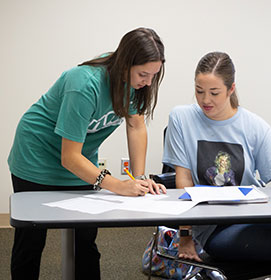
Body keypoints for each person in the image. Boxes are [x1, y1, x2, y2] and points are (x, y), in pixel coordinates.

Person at [7, 27, 167, 280]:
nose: (147, 82)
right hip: (36, 155)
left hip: (80, 160)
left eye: (154, 75)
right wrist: (116, 185)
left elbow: (136, 125)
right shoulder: (84, 84)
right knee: (31, 240)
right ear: (125, 63)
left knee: (85, 240)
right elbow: (68, 157)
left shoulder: (133, 84)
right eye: (143, 74)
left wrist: (139, 178)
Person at [163, 51, 271, 279]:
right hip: (214, 227)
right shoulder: (181, 118)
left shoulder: (254, 125)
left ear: (231, 89)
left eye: (214, 93)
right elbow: (183, 183)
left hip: (263, 214)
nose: (205, 100)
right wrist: (184, 236)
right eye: (199, 91)